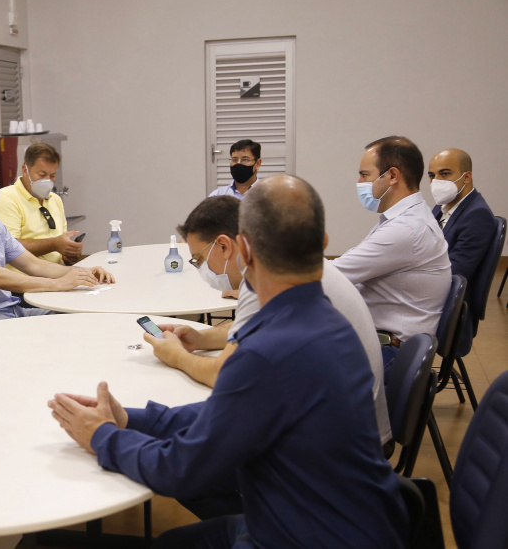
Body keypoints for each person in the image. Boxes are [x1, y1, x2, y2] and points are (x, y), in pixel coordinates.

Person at [48, 175, 407, 548]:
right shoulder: (324, 321)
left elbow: (184, 469)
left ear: (244, 252)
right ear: (323, 246)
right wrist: (131, 419)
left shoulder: (269, 350)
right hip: (347, 519)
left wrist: (102, 437)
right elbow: (226, 412)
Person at [148, 195, 390, 444]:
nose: (201, 268)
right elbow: (251, 324)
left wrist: (177, 357)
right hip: (350, 417)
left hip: (341, 441)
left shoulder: (267, 276)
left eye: (198, 259)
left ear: (223, 246)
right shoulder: (280, 257)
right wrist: (199, 338)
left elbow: (223, 376)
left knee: (215, 436)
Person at [0, 145, 113, 327]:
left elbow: (33, 264)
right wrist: (60, 284)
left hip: (8, 309)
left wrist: (82, 273)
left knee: (79, 319)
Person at [332, 136, 451, 375]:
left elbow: (332, 275)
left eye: (365, 175)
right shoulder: (404, 219)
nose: (359, 182)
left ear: (393, 176)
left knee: (289, 371)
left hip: (391, 353)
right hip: (388, 343)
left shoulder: (406, 229)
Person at [429, 148, 497, 352]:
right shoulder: (441, 208)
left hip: (448, 311)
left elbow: (455, 273)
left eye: (445, 173)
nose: (436, 181)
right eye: (432, 176)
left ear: (467, 176)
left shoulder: (477, 215)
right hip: (432, 295)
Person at [0, 142, 83, 266]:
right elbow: (8, 248)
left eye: (53, 175)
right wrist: (54, 244)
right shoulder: (5, 198)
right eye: (42, 175)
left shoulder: (55, 199)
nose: (48, 181)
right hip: (25, 280)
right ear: (25, 170)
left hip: (58, 274)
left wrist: (67, 254)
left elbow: (58, 248)